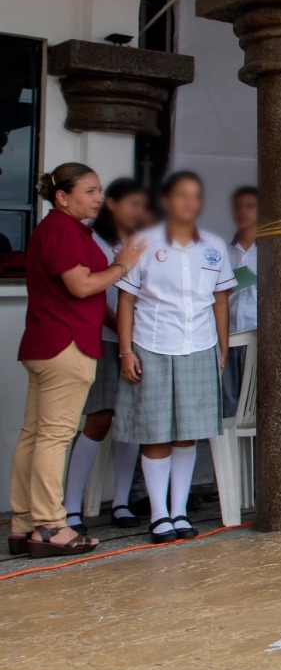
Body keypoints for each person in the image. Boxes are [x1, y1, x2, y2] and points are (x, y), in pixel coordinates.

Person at [11, 164, 145, 558]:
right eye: (89, 191)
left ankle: (24, 523)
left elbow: (86, 295)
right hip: (65, 346)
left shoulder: (60, 229)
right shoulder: (62, 230)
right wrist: (123, 265)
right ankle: (52, 525)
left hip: (46, 344)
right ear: (62, 197)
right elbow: (82, 286)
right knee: (54, 437)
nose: (98, 198)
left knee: (35, 434)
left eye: (99, 190)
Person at [113, 171, 235, 543]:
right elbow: (126, 301)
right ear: (166, 201)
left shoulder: (214, 245)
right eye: (182, 195)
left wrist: (222, 347)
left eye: (195, 196)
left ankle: (179, 511)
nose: (189, 203)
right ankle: (159, 515)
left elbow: (220, 301)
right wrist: (125, 350)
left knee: (188, 435)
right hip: (152, 345)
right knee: (156, 433)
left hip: (199, 345)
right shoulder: (143, 243)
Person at [63, 178, 150, 532]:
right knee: (99, 419)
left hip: (136, 342)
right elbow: (93, 297)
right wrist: (124, 331)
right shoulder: (91, 239)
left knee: (130, 422)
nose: (139, 212)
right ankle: (71, 507)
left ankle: (122, 502)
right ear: (112, 203)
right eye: (132, 204)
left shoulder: (141, 243)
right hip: (103, 339)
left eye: (143, 206)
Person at [222, 185, 258, 419]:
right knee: (229, 405)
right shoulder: (223, 250)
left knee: (256, 405)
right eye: (238, 207)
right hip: (229, 334)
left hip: (258, 334)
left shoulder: (272, 250)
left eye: (250, 206)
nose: (243, 212)